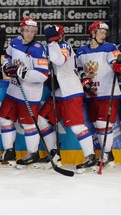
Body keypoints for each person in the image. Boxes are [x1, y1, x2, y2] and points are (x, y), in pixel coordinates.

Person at [37, 24, 97, 173]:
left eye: (57, 36)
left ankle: (90, 157)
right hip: (58, 94)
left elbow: (58, 60)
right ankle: (54, 153)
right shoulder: (49, 47)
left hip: (71, 92)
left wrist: (52, 42)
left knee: (77, 126)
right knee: (41, 120)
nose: (57, 39)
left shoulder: (65, 45)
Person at [0, 18, 49, 169]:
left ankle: (33, 154)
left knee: (28, 125)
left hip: (30, 94)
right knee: (4, 118)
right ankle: (9, 152)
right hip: (13, 91)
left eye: (33, 31)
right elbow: (7, 59)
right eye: (27, 30)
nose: (30, 34)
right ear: (21, 30)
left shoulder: (38, 48)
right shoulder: (14, 43)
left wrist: (22, 72)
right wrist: (6, 68)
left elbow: (43, 75)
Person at [76, 21, 121, 170]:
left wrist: (117, 65)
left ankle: (106, 154)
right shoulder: (81, 51)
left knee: (104, 124)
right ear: (93, 33)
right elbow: (79, 68)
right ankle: (108, 155)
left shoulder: (110, 47)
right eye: (101, 32)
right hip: (91, 94)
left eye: (105, 33)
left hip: (108, 92)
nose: (104, 35)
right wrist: (84, 79)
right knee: (96, 124)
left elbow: (116, 60)